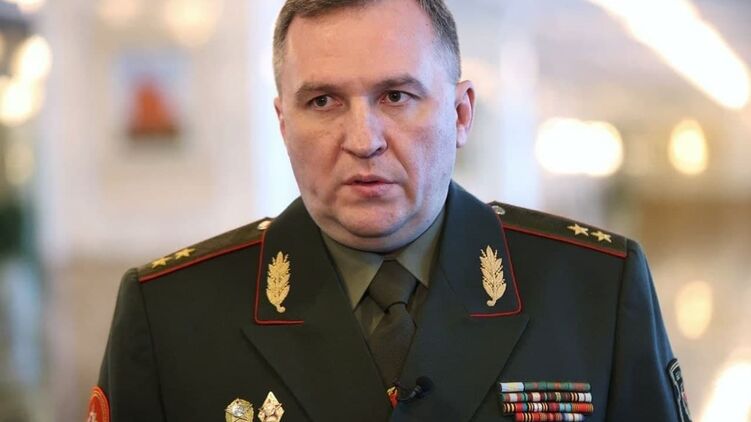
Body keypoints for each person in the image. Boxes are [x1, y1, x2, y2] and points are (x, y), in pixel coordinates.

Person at [88, 0, 691, 421]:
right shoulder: (170, 314)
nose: (363, 139)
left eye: (396, 96)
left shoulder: (594, 288)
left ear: (460, 114)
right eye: (323, 101)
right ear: (283, 123)